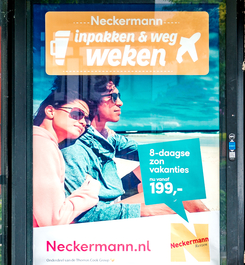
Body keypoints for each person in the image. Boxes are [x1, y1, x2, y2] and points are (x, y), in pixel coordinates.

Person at [62, 75, 207, 221]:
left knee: (169, 167)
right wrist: (145, 209)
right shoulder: (75, 147)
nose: (120, 103)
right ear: (92, 101)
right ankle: (210, 230)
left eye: (119, 96)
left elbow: (154, 154)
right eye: (113, 97)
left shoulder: (107, 136)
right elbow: (80, 215)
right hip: (105, 207)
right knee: (178, 193)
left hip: (115, 193)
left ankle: (208, 221)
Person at [32, 89, 99, 227]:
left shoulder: (42, 143)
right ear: (50, 111)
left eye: (86, 119)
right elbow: (54, 219)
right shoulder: (42, 145)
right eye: (77, 114)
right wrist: (91, 189)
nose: (84, 122)